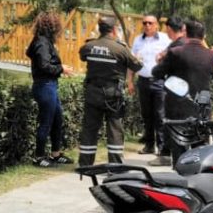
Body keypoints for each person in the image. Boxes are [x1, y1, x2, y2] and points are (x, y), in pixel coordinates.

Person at [150, 19, 213, 166]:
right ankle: (197, 183)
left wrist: (164, 64)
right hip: (202, 108)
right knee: (200, 150)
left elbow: (156, 72)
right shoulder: (212, 55)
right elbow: (211, 76)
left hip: (177, 109)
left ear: (185, 33)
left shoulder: (175, 52)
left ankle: (180, 179)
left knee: (179, 149)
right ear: (203, 35)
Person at [77, 17, 143, 166]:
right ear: (114, 30)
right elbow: (137, 66)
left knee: (89, 128)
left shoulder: (89, 46)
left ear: (100, 29)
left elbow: (82, 56)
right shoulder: (120, 48)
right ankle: (115, 166)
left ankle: (85, 165)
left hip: (92, 93)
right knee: (114, 129)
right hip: (113, 95)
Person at [25, 12, 74, 167]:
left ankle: (55, 154)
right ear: (52, 27)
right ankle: (38, 157)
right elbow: (44, 65)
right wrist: (61, 68)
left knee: (57, 119)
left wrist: (59, 69)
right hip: (44, 86)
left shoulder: (43, 41)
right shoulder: (42, 43)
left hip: (49, 85)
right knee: (46, 122)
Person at [129, 15, 171, 156]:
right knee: (146, 115)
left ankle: (162, 146)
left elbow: (172, 56)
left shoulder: (165, 39)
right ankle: (149, 145)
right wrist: (130, 81)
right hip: (143, 81)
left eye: (150, 23)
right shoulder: (137, 40)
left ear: (157, 25)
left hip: (159, 82)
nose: (147, 25)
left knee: (160, 115)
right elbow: (132, 61)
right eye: (145, 23)